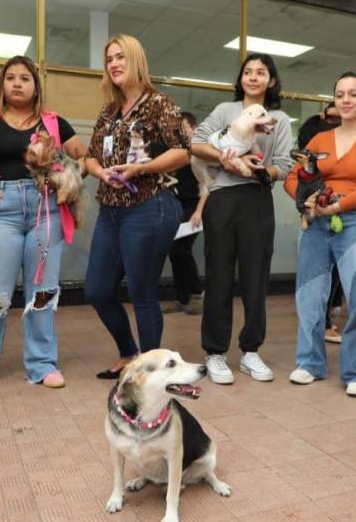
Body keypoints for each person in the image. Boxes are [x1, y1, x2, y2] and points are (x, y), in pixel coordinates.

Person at [0, 56, 87, 391]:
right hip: (1, 209)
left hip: (46, 210)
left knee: (43, 290)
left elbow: (84, 157)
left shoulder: (53, 122)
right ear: (2, 83)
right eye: (10, 77)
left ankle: (43, 364)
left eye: (25, 78)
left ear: (36, 86)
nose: (16, 83)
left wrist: (65, 179)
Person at [84, 34, 188, 379]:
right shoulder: (109, 110)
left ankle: (149, 371)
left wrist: (140, 168)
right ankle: (129, 353)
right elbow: (90, 156)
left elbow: (183, 152)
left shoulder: (159, 103)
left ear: (136, 61)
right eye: (109, 59)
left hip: (149, 205)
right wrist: (101, 172)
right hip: (111, 208)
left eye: (121, 57)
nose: (114, 64)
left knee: (142, 291)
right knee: (97, 290)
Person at [284, 71, 356, 396]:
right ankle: (310, 363)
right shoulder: (320, 140)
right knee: (310, 295)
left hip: (355, 220)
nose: (346, 100)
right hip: (316, 220)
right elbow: (292, 177)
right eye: (340, 94)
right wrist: (304, 199)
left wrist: (337, 206)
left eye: (353, 94)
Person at [191, 53, 293, 385]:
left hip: (257, 199)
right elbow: (196, 143)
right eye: (247, 71)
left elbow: (284, 165)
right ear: (241, 78)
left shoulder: (279, 119)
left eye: (261, 72)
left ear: (271, 80)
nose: (253, 77)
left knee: (255, 278)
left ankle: (251, 351)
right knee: (218, 275)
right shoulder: (225, 110)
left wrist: (261, 171)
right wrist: (226, 159)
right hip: (222, 199)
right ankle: (215, 352)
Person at [298, 101, 344, 344]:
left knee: (332, 273)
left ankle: (324, 319)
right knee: (318, 276)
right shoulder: (315, 133)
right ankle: (322, 324)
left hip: (337, 213)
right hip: (315, 216)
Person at [161, 111, 204, 316]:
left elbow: (208, 185)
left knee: (181, 249)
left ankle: (196, 294)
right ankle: (182, 298)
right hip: (177, 205)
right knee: (174, 251)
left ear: (193, 129)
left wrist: (199, 211)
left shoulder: (200, 152)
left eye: (183, 127)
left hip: (195, 206)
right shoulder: (174, 151)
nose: (179, 131)